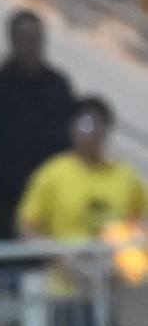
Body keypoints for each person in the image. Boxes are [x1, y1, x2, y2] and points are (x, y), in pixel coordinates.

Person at [0, 10, 75, 242]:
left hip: (50, 200)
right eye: (24, 37)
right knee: (5, 261)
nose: (31, 44)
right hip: (4, 202)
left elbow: (69, 139)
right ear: (12, 39)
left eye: (36, 37)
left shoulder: (58, 87)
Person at [17, 97, 148, 242]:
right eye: (85, 125)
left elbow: (143, 216)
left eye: (97, 125)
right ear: (71, 128)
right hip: (67, 255)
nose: (90, 134)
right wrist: (53, 250)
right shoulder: (53, 173)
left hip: (114, 255)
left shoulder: (126, 176)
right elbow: (27, 225)